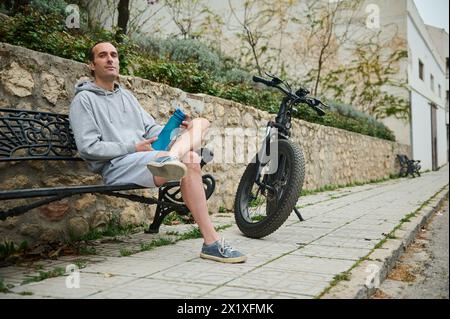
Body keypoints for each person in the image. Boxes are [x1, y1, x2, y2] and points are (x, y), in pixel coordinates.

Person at [69, 42, 246, 263]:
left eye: (114, 55)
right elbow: (88, 147)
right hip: (117, 165)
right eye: (103, 55)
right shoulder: (84, 100)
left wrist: (174, 130)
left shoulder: (127, 97)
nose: (110, 59)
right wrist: (133, 147)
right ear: (92, 65)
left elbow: (151, 129)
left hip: (149, 157)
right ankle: (211, 241)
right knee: (190, 158)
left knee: (200, 125)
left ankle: (172, 160)